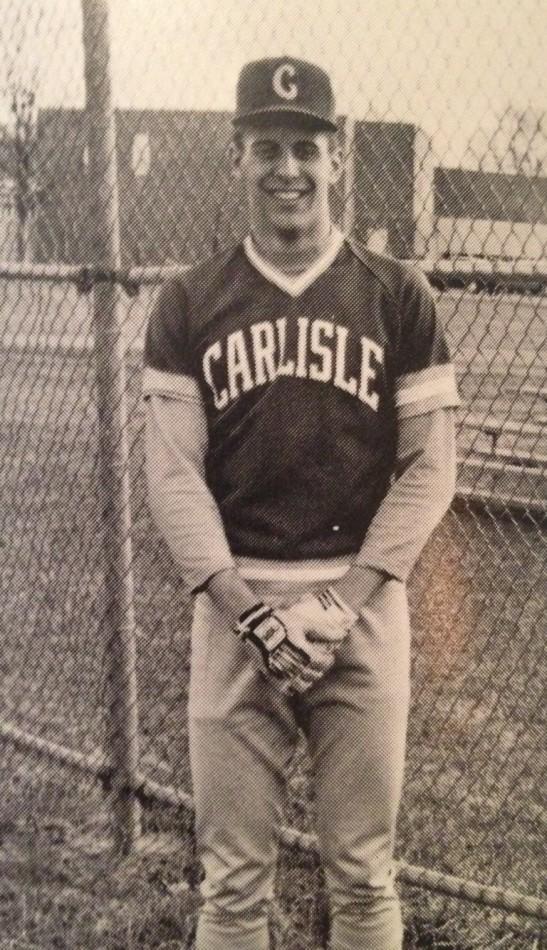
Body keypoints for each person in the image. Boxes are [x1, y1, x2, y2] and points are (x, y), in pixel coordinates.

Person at [142, 55, 460, 950]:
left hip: (359, 609)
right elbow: (173, 475)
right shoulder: (189, 300)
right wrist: (250, 614)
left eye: (306, 148)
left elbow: (429, 471)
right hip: (236, 605)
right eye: (267, 147)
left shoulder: (396, 295)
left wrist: (340, 600)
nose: (288, 169)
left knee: (362, 876)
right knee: (232, 884)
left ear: (337, 159)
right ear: (235, 156)